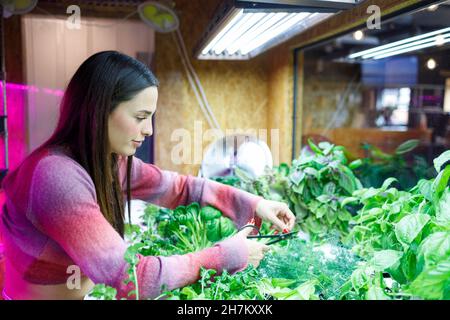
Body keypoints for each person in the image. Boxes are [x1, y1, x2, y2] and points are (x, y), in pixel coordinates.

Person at [0, 51, 295, 300]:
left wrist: (256, 204)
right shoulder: (55, 177)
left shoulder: (106, 161)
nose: (149, 130)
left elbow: (180, 188)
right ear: (98, 111)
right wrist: (228, 255)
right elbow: (135, 279)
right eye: (140, 117)